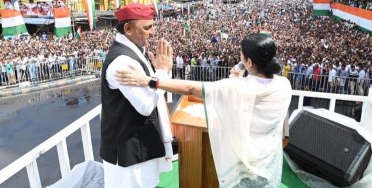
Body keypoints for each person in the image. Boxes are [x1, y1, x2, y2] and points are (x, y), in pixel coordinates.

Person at [115, 33, 292, 187]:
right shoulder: (284, 84)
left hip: (245, 166)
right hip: (269, 160)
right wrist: (242, 67)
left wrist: (149, 81)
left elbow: (191, 89)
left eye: (241, 55)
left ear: (250, 62)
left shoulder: (236, 88)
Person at [100, 3, 173, 188]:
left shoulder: (134, 51)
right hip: (130, 151)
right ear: (128, 29)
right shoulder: (122, 62)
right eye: (147, 27)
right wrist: (162, 72)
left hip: (139, 144)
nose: (153, 32)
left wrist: (160, 73)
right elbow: (146, 105)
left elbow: (151, 86)